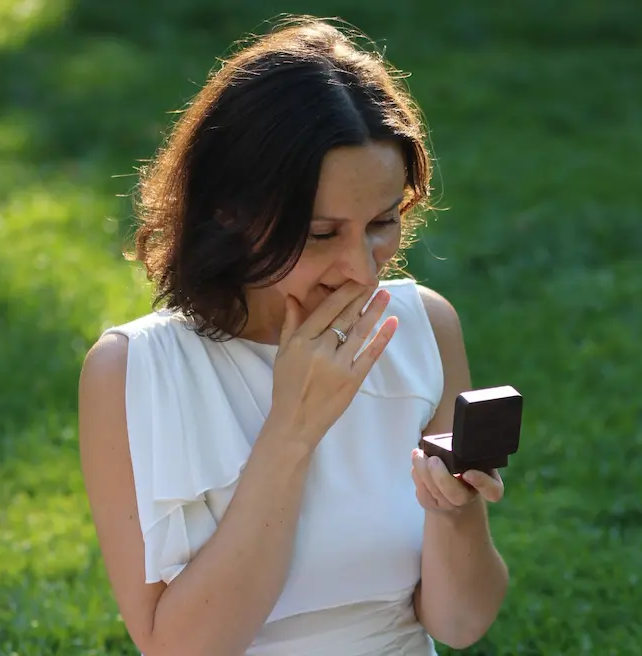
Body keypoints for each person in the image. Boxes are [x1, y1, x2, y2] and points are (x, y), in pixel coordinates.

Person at [78, 16, 509, 656]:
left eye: (383, 222)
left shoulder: (423, 328)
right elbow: (180, 649)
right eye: (321, 233)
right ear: (229, 212)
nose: (363, 269)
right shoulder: (133, 372)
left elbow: (460, 623)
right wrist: (292, 429)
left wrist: (455, 512)